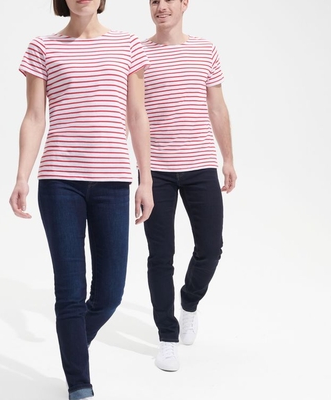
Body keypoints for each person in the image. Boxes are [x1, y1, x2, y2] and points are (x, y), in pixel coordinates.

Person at [9, 1, 154, 399]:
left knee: (110, 293)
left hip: (113, 184)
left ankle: (71, 344)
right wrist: (21, 176)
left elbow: (137, 115)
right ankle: (80, 385)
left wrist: (146, 180)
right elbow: (34, 116)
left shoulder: (128, 45)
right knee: (70, 291)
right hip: (59, 183)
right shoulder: (43, 47)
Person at [142, 0, 237, 372]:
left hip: (200, 166)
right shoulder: (139, 53)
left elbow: (217, 107)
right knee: (160, 257)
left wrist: (228, 159)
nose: (161, 7)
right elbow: (133, 113)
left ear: (184, 4)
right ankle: (167, 338)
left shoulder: (205, 50)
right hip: (157, 171)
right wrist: (141, 174)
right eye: (154, 0)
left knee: (211, 249)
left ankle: (189, 302)